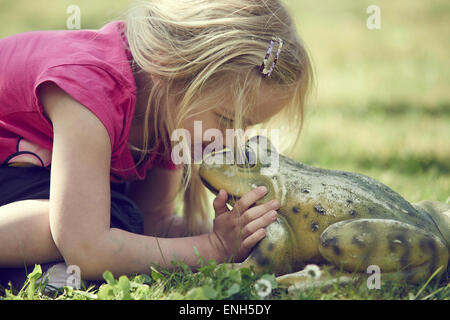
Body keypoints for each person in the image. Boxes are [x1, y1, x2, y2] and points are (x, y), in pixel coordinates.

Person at [0, 0, 313, 289]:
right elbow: (87, 246)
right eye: (227, 119)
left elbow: (154, 222)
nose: (232, 140)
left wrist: (239, 235)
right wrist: (212, 248)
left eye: (246, 127)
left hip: (23, 177)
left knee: (124, 218)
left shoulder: (168, 108)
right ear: (171, 67)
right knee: (108, 218)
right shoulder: (90, 91)